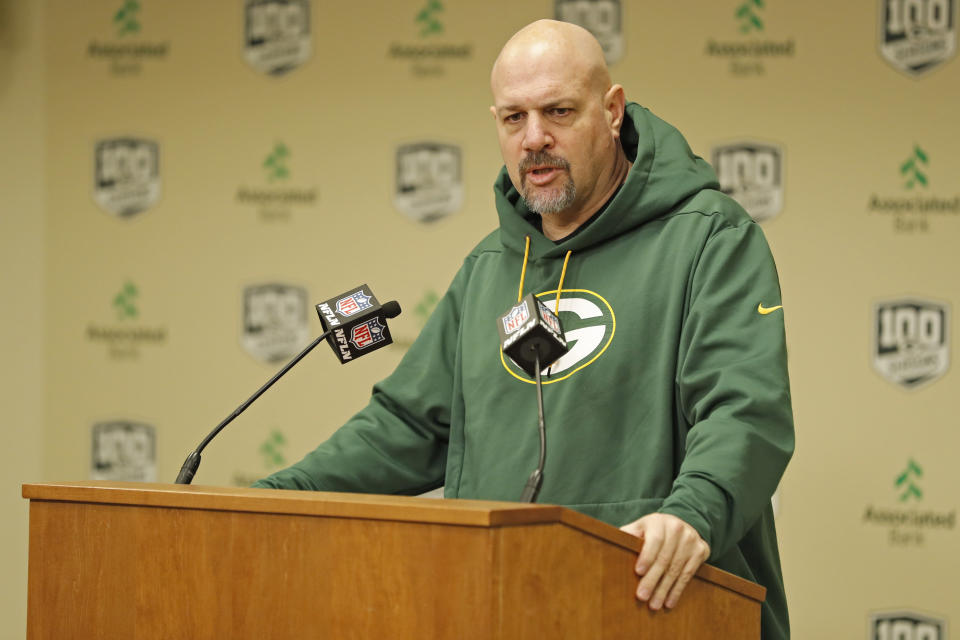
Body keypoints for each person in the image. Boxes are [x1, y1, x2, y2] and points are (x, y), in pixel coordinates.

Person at [254, 19, 794, 639]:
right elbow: (407, 427)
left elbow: (744, 411)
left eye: (558, 111)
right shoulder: (491, 267)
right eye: (514, 119)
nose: (534, 138)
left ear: (613, 111)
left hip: (659, 605)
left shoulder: (708, 237)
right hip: (506, 605)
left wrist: (692, 514)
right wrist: (273, 497)